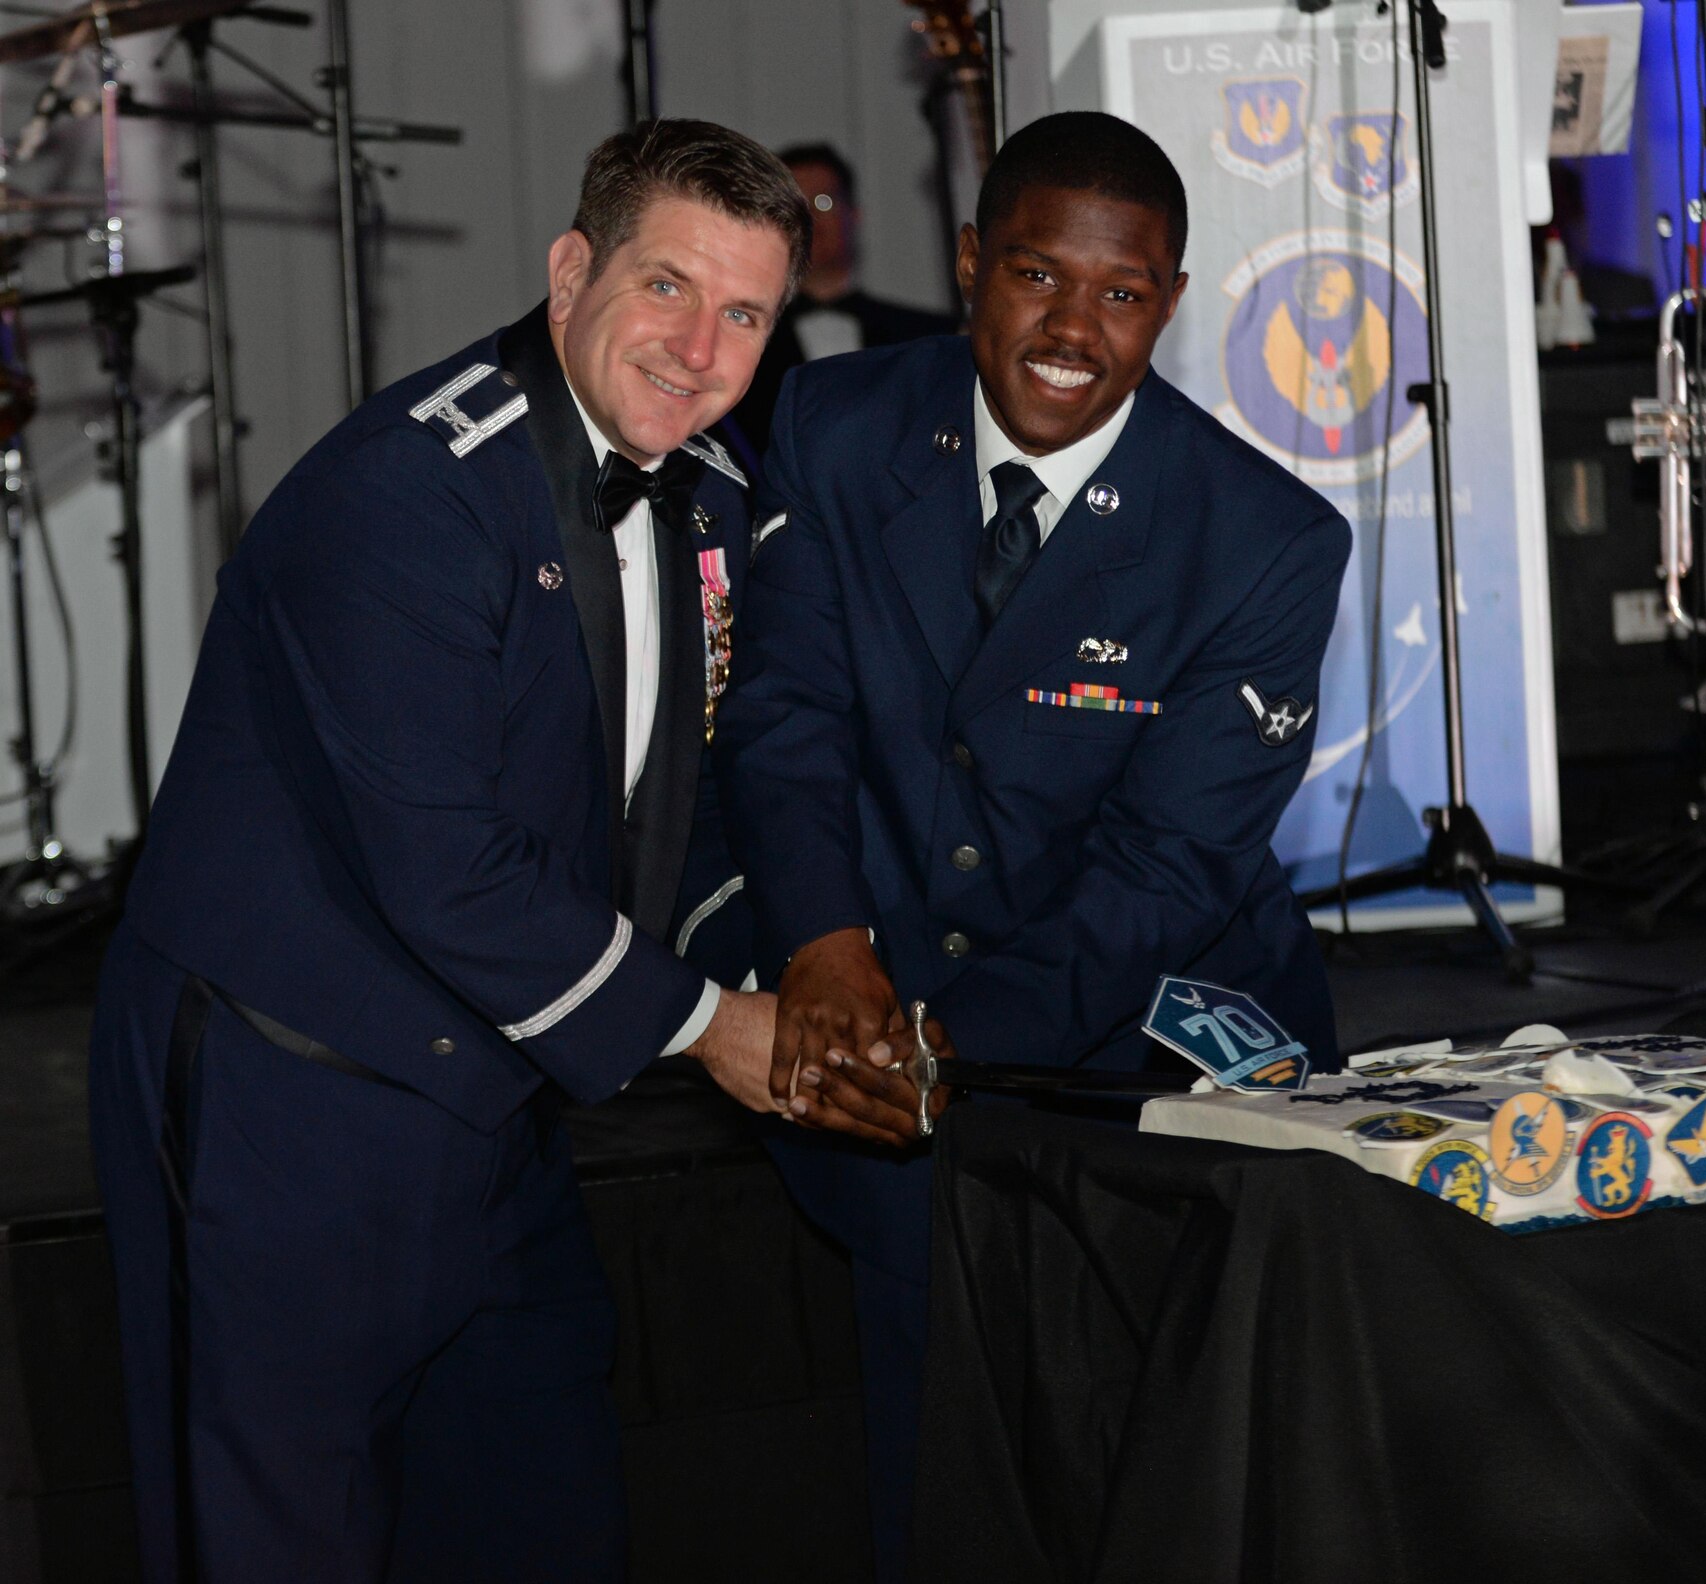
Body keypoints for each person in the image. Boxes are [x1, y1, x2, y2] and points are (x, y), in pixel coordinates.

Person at [89, 118, 804, 1582]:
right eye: (665, 285)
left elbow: (689, 801)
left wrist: (821, 964)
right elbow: (446, 869)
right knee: (276, 1537)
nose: (698, 347)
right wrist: (712, 1023)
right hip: (291, 1084)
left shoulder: (713, 493)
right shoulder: (404, 496)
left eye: (744, 313)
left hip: (500, 1088)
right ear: (567, 272)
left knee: (532, 1502)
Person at [716, 110, 1352, 1582]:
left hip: (1130, 1037)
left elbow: (1165, 871)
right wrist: (826, 953)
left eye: (1123, 292)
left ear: (1171, 303)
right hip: (872, 1003)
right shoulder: (833, 424)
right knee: (932, 1457)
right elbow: (788, 717)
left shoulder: (1265, 539)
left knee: (1163, 1479)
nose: (1075, 327)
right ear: (967, 267)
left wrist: (940, 1049)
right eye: (1035, 276)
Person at [727, 142, 960, 460]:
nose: (811, 219)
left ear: (855, 214)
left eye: (823, 202)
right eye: (795, 207)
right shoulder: (738, 342)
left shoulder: (930, 337)